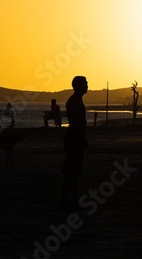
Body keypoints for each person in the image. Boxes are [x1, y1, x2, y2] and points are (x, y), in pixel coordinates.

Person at [61, 76, 88, 209]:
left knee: (73, 171)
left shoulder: (76, 100)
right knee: (72, 171)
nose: (88, 85)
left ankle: (70, 199)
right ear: (79, 86)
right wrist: (82, 138)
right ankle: (69, 200)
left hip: (74, 138)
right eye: (85, 83)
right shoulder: (75, 102)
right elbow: (77, 123)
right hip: (74, 138)